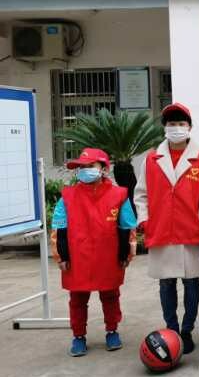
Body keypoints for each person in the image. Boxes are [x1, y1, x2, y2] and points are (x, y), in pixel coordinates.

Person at [134, 103, 199, 355]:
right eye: (171, 124)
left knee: (191, 282)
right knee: (166, 283)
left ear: (189, 127)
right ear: (164, 128)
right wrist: (144, 220)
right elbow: (141, 194)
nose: (176, 128)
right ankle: (172, 329)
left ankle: (186, 330)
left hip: (190, 230)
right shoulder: (151, 159)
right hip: (161, 230)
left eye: (181, 123)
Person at [50, 148, 137, 357]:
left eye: (90, 166)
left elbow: (127, 227)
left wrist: (125, 254)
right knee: (77, 299)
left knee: (111, 295)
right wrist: (61, 256)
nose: (85, 170)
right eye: (82, 167)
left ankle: (112, 331)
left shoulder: (119, 195)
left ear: (104, 169)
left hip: (108, 256)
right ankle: (78, 336)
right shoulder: (68, 196)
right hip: (76, 257)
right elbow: (59, 228)